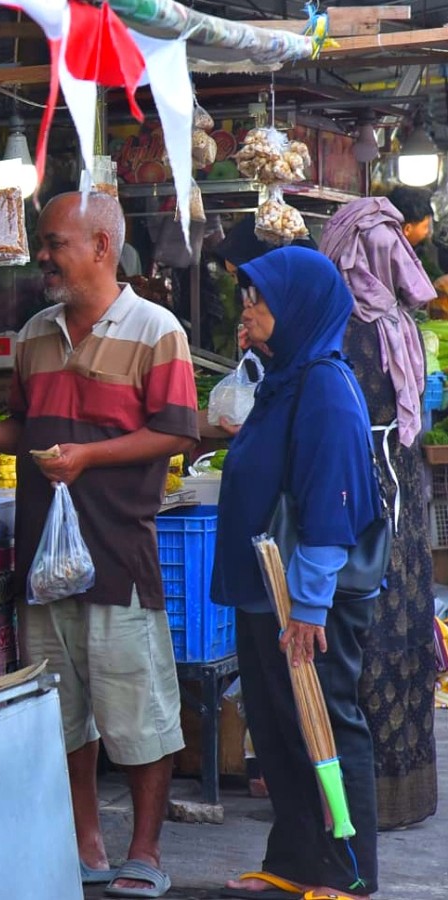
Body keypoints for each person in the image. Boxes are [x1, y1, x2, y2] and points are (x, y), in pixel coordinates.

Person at [0, 191, 199, 899]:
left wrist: (87, 459)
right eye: (42, 243)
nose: (41, 256)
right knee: (60, 707)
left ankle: (146, 849)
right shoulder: (35, 335)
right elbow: (26, 427)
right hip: (42, 553)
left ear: (102, 247)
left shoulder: (156, 329)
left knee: (138, 707)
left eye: (54, 243)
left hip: (118, 550)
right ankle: (85, 841)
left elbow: (178, 432)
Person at [213, 246, 383, 900]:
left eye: (261, 300)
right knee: (279, 725)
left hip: (310, 599)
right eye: (248, 298)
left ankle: (348, 873)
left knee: (328, 727)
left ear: (299, 308)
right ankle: (293, 863)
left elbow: (331, 503)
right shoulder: (286, 378)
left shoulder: (326, 387)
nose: (248, 309)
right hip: (268, 592)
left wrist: (309, 606)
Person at [321, 196, 439, 831]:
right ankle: (380, 796)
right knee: (374, 629)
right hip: (380, 494)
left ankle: (375, 795)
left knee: (379, 629)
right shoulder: (370, 325)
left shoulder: (367, 325)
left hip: (378, 496)